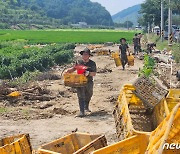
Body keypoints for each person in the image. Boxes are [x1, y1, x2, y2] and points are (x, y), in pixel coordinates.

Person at [66, 48, 97, 117]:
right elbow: (74, 68)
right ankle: (82, 111)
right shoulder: (79, 62)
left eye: (86, 54)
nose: (85, 56)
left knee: (89, 93)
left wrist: (88, 73)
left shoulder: (92, 63)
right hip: (79, 81)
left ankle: (86, 106)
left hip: (88, 81)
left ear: (89, 55)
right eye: (83, 54)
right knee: (80, 96)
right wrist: (69, 71)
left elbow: (94, 73)